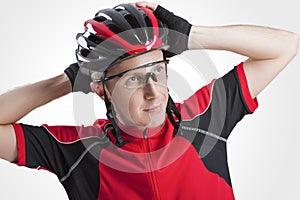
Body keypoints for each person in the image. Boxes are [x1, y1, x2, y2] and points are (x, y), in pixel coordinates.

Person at [0, 1, 298, 200]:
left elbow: (285, 46)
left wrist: (192, 37)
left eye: (158, 71)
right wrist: (66, 81)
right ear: (101, 89)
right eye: (132, 78)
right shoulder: (76, 150)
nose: (153, 91)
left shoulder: (204, 117)